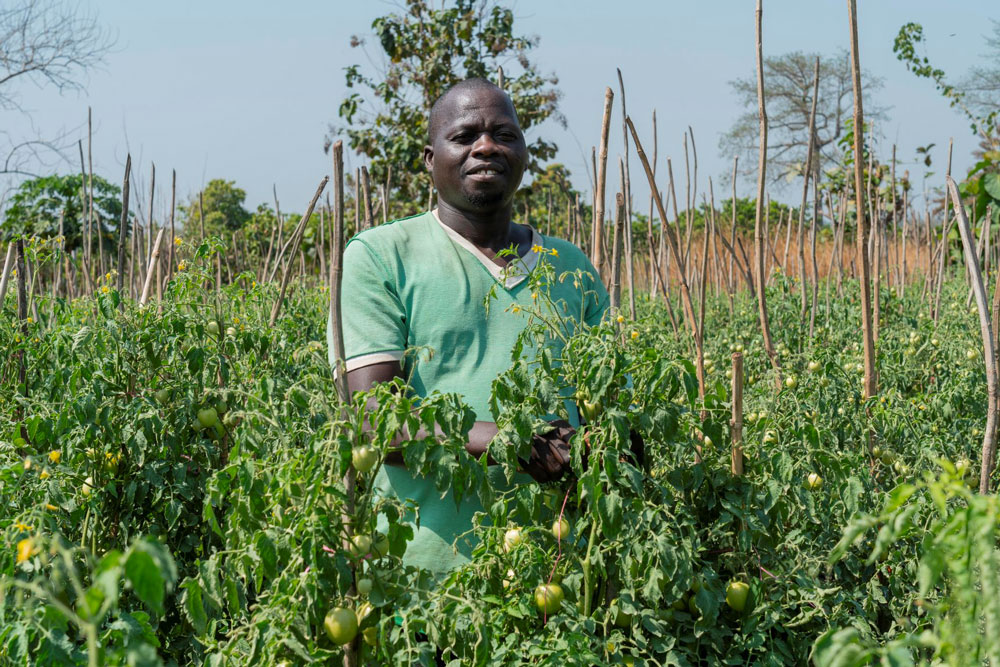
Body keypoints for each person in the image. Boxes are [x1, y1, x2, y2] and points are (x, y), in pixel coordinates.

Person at [331, 77, 608, 574]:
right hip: (421, 579)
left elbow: (614, 407)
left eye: (504, 134)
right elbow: (373, 422)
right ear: (429, 157)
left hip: (556, 572)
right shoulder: (381, 256)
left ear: (524, 154)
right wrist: (511, 439)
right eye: (464, 136)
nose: (486, 146)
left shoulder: (571, 267)